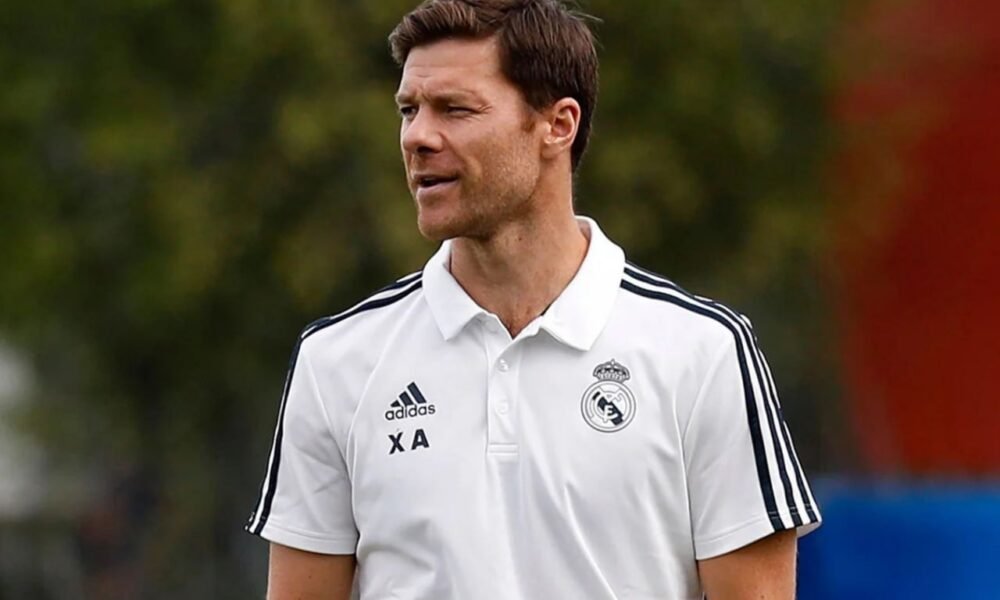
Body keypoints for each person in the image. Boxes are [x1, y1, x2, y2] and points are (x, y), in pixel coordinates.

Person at [246, 1, 821, 598]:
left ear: (558, 125)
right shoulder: (334, 362)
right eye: (409, 110)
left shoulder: (705, 354)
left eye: (455, 109)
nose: (417, 137)